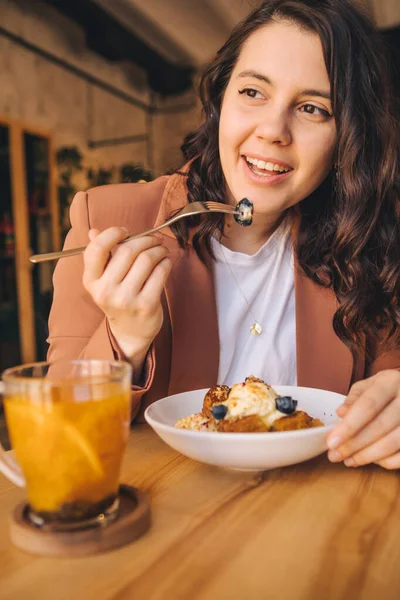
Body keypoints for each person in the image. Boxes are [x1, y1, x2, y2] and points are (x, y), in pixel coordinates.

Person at [48, 0, 400, 470]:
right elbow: (59, 434)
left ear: (346, 139)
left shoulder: (370, 237)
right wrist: (124, 340)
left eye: (313, 108)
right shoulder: (111, 219)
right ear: (220, 102)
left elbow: (388, 389)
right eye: (253, 92)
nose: (273, 131)